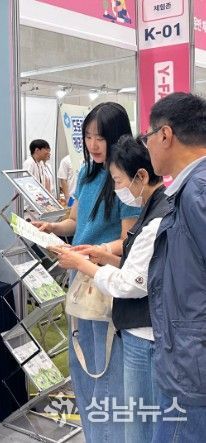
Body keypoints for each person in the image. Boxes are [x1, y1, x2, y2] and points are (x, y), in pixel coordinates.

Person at [49, 135, 167, 443]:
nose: (116, 189)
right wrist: (103, 256)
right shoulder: (153, 207)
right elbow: (137, 266)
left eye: (118, 181)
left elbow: (131, 282)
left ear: (141, 176)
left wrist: (84, 263)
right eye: (87, 136)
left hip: (144, 331)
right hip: (139, 325)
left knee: (138, 423)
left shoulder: (156, 217)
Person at [33, 102, 139, 443]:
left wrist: (95, 252)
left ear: (117, 137)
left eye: (101, 137)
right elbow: (75, 222)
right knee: (81, 366)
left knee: (104, 368)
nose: (93, 144)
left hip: (103, 281)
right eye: (88, 136)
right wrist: (51, 228)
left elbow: (128, 241)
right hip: (79, 276)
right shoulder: (86, 174)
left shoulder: (124, 179)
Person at [143, 92, 206, 441]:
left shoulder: (198, 190)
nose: (148, 145)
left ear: (165, 135)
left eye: (148, 136)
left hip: (193, 372)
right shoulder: (190, 190)